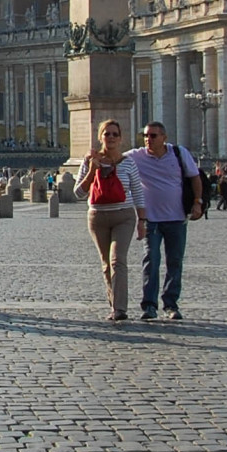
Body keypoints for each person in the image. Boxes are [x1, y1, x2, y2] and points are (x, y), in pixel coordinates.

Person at [124, 121, 204, 321]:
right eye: (145, 135)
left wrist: (197, 202)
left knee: (174, 262)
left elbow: (195, 178)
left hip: (177, 218)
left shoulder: (179, 153)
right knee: (151, 260)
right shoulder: (136, 156)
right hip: (150, 219)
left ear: (164, 138)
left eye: (153, 136)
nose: (148, 139)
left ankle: (171, 304)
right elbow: (116, 158)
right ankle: (149, 305)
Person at [75, 119, 146, 321]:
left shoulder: (129, 163)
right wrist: (91, 171)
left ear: (121, 138)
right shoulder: (90, 161)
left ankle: (120, 309)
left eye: (115, 134)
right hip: (97, 217)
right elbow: (78, 193)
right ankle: (114, 304)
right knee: (106, 264)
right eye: (107, 134)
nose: (111, 138)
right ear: (100, 137)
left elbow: (138, 193)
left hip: (124, 216)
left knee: (118, 260)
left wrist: (142, 220)